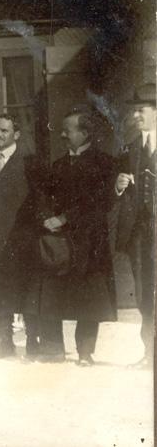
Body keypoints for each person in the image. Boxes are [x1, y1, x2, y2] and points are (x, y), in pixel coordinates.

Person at [33, 108, 117, 366]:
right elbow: (43, 197)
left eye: (67, 131)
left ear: (85, 133)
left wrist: (64, 218)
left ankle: (85, 352)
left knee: (89, 298)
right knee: (50, 293)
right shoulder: (58, 165)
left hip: (90, 243)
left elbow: (99, 202)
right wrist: (46, 216)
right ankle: (52, 349)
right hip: (58, 244)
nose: (62, 135)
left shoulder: (104, 163)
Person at [0, 114, 42, 358]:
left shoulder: (29, 163)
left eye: (4, 131)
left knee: (25, 290)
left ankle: (32, 341)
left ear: (16, 135)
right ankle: (5, 342)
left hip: (21, 240)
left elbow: (38, 199)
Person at [114, 83, 156, 369]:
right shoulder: (130, 149)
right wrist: (118, 186)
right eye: (134, 111)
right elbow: (118, 189)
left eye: (141, 110)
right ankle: (150, 353)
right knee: (144, 292)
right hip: (141, 236)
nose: (136, 116)